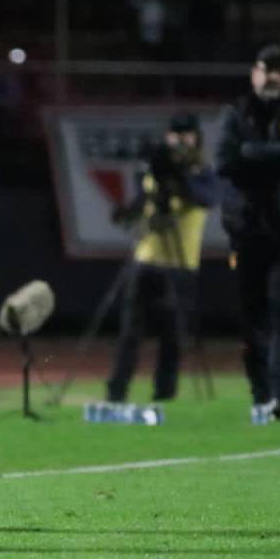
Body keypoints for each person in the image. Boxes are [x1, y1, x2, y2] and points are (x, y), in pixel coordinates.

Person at [106, 113, 218, 405]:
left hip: (181, 265)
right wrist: (125, 213)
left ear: (197, 139)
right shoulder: (155, 172)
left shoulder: (203, 173)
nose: (180, 141)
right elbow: (141, 206)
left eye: (186, 135)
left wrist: (177, 179)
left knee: (173, 336)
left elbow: (204, 199)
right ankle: (116, 393)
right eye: (175, 135)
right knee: (130, 332)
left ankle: (164, 395)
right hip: (146, 259)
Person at [215, 44, 280, 424]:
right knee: (252, 319)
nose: (273, 77)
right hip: (246, 230)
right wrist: (278, 152)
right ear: (255, 73)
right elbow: (225, 161)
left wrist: (251, 154)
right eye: (268, 69)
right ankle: (261, 395)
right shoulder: (236, 112)